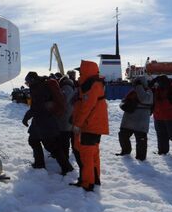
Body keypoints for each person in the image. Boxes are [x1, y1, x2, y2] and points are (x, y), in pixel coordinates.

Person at [22, 72, 73, 174]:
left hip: (45, 122)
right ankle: (39, 164)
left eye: (27, 82)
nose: (27, 84)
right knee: (34, 140)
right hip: (42, 121)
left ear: (31, 80)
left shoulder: (38, 88)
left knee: (51, 146)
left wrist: (26, 117)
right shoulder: (41, 85)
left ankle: (66, 168)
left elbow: (37, 107)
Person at [71, 60, 109, 191]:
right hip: (94, 125)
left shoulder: (91, 85)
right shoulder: (94, 84)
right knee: (93, 154)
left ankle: (87, 183)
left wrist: (77, 124)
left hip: (89, 126)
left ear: (86, 71)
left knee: (86, 155)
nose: (79, 74)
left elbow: (87, 107)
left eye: (80, 71)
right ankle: (94, 179)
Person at [116, 77, 153, 161]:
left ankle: (141, 158)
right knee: (123, 136)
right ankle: (125, 151)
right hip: (129, 120)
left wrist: (139, 87)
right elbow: (124, 101)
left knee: (141, 140)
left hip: (141, 121)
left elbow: (144, 99)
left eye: (136, 83)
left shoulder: (149, 92)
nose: (134, 85)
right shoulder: (133, 92)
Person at [150, 75, 172, 159]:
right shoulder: (156, 89)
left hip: (171, 117)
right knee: (161, 135)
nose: (160, 83)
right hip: (158, 116)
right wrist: (152, 82)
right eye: (159, 82)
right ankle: (162, 151)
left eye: (161, 82)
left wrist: (171, 83)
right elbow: (147, 90)